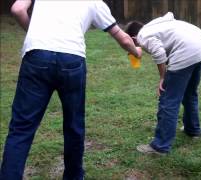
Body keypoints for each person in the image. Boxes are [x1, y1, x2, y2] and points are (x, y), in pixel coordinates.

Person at [0, 0, 141, 179]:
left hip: (37, 56)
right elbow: (122, 37)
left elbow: (18, 9)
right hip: (71, 60)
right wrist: (136, 52)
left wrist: (36, 35)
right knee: (74, 125)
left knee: (21, 128)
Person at [125, 12, 201, 155]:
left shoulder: (143, 36)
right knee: (189, 93)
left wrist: (163, 77)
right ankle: (193, 130)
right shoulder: (155, 26)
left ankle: (160, 146)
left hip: (187, 51)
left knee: (168, 100)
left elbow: (159, 54)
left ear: (133, 38)